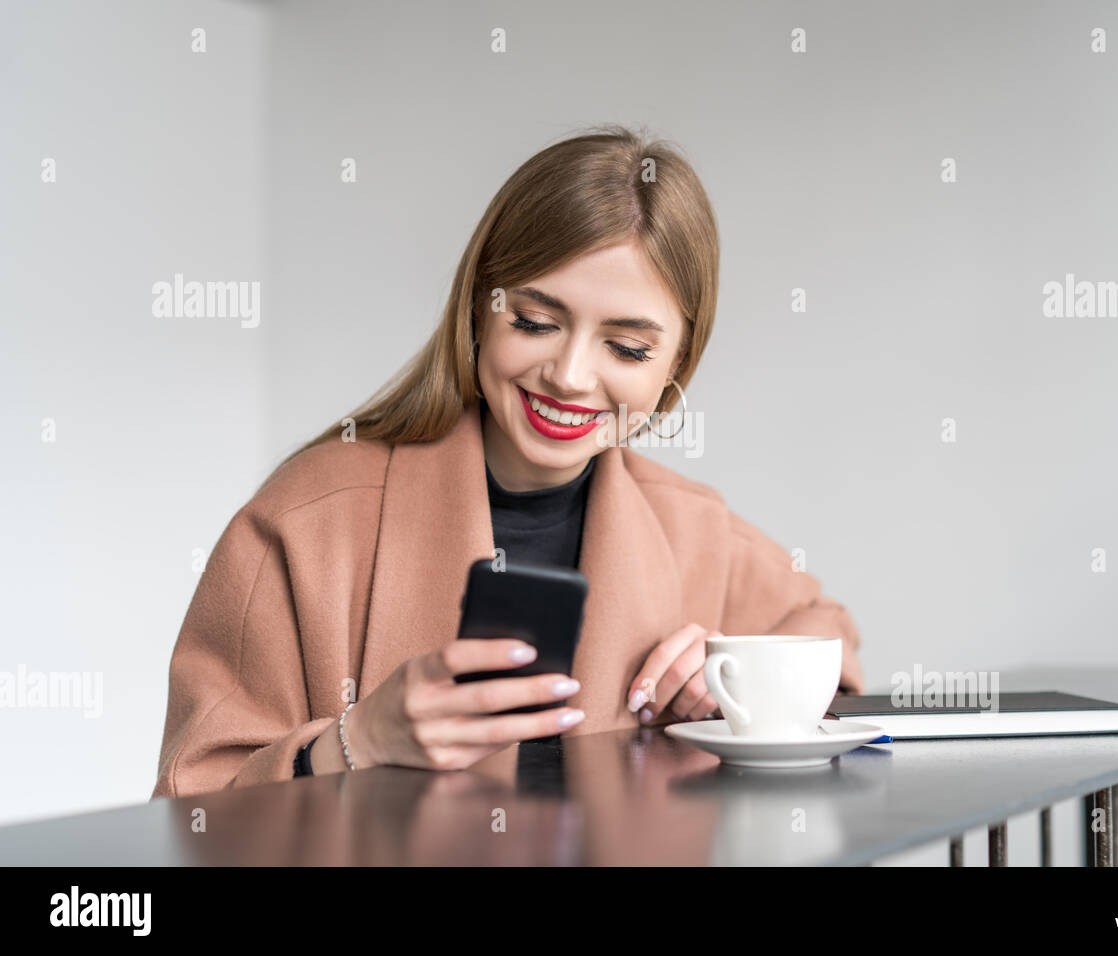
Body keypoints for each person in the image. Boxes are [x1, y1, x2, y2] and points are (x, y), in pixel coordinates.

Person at [151, 124, 866, 799]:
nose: (571, 376)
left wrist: (724, 668)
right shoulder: (309, 519)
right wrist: (356, 739)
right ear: (477, 309)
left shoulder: (693, 525)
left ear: (678, 361)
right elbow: (192, 809)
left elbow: (831, 638)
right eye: (534, 323)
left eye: (627, 348)